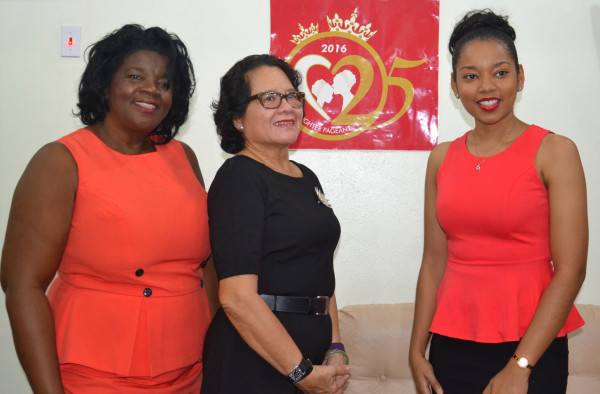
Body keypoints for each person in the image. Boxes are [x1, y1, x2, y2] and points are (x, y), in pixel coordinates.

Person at [1, 24, 218, 393]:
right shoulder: (60, 161)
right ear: (104, 84)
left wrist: (217, 362)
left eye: (165, 83)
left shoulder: (184, 157)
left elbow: (207, 265)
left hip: (190, 373)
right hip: (93, 377)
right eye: (136, 76)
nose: (152, 90)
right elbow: (22, 285)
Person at [409, 9, 587, 394]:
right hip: (451, 347)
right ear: (455, 86)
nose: (486, 87)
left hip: (533, 348)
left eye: (500, 72)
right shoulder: (440, 158)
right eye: (471, 76)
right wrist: (416, 352)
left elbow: (571, 271)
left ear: (520, 77)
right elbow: (433, 262)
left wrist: (520, 365)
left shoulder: (555, 151)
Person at [201, 54, 351, 394]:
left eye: (292, 96)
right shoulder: (239, 177)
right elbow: (237, 297)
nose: (287, 107)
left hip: (308, 360)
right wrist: (299, 372)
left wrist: (335, 348)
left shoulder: (305, 176)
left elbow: (320, 274)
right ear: (237, 117)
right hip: (256, 362)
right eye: (269, 98)